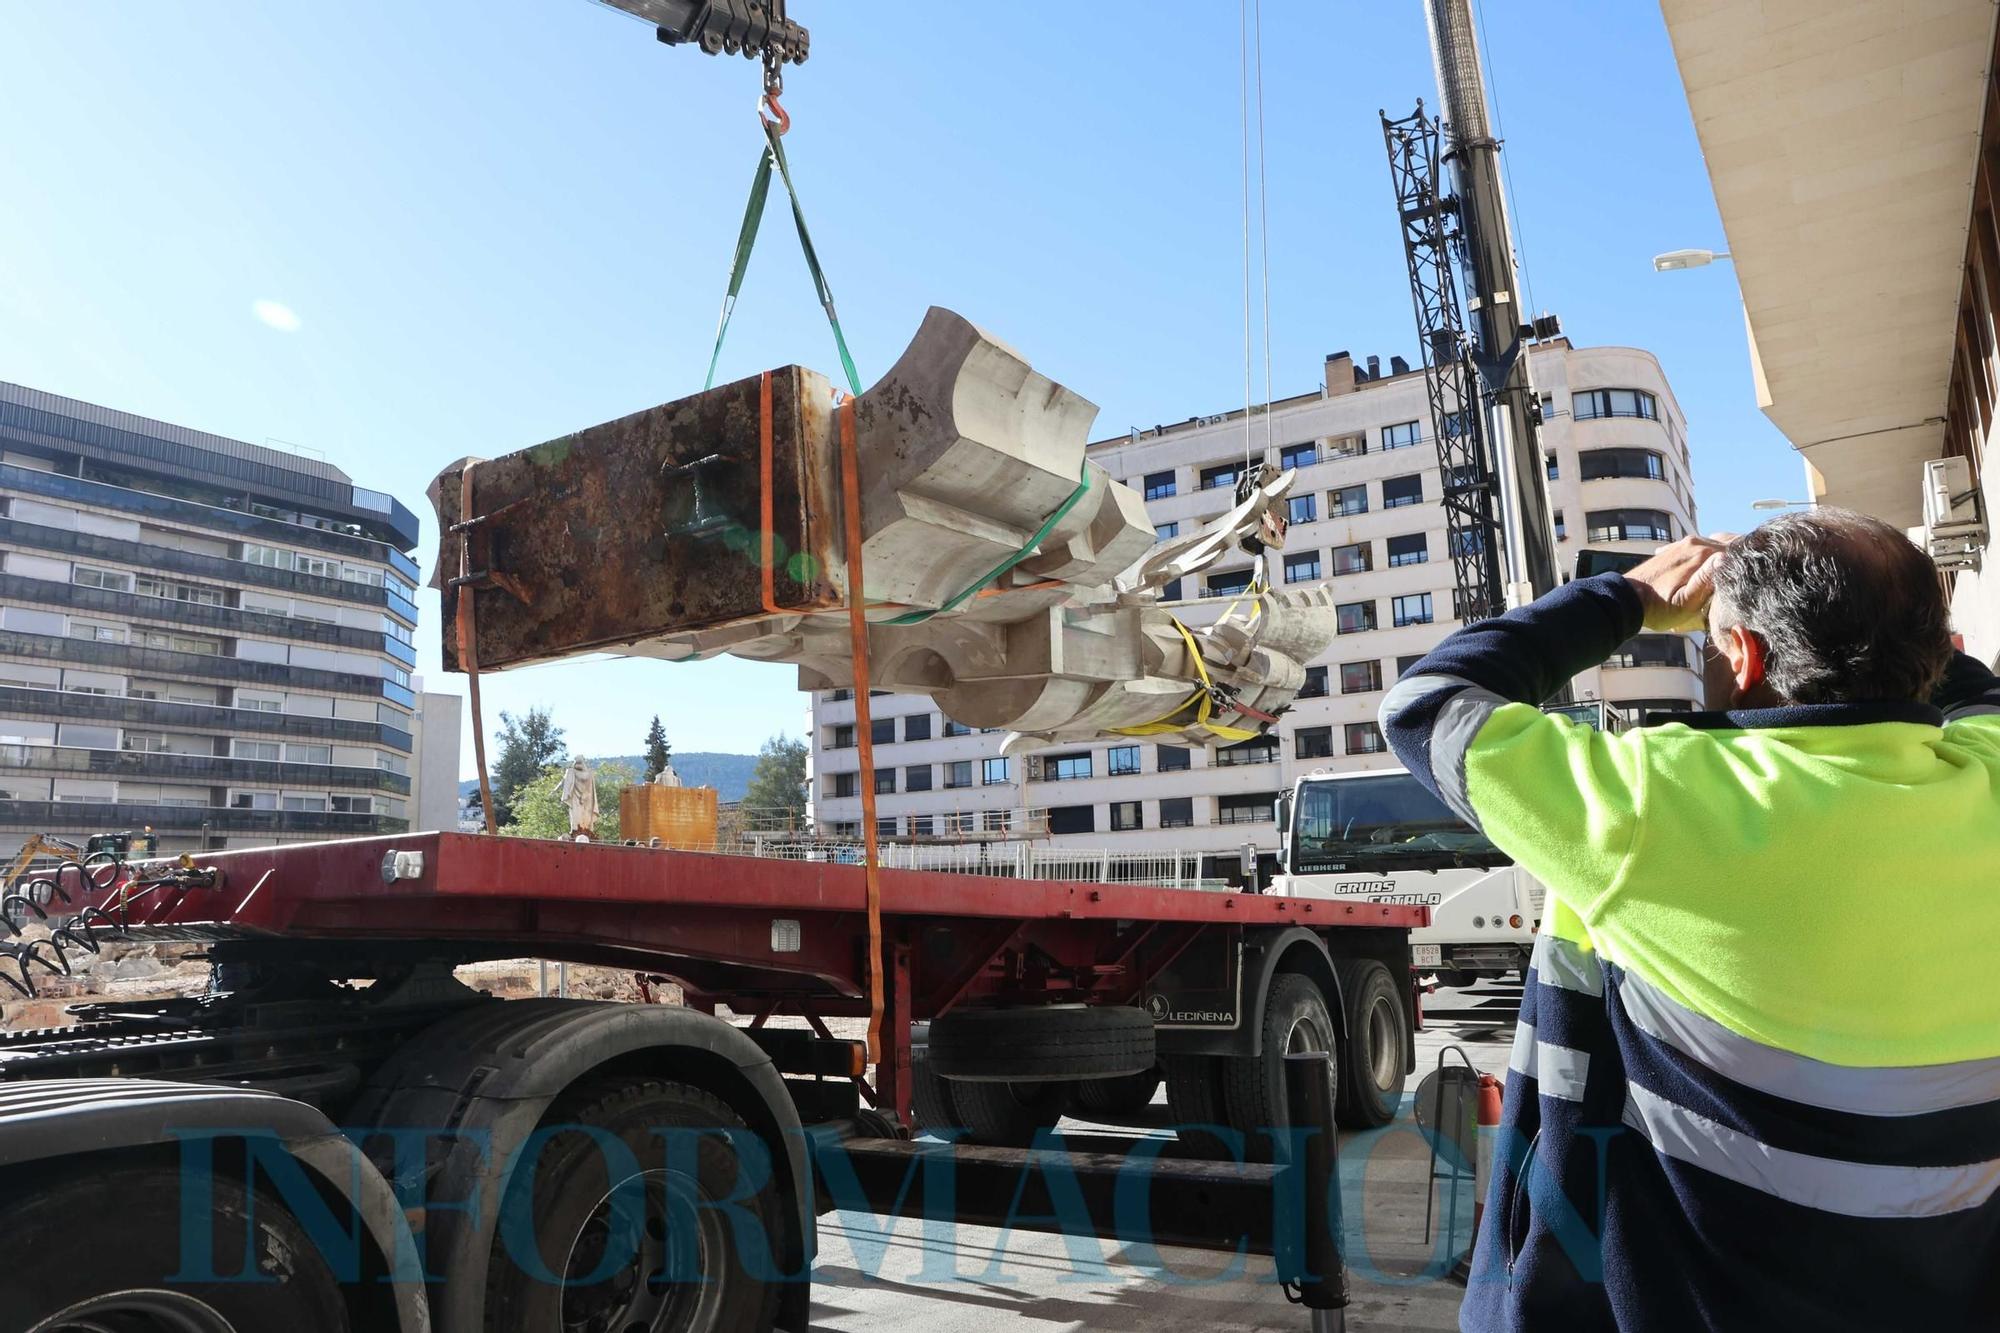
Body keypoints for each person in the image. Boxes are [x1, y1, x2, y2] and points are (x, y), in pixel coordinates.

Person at [1380, 510, 2000, 1331]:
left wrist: (1629, 597)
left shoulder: (1654, 801)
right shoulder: (1985, 783)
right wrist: (1886, 626)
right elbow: (1972, 684)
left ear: (1745, 658)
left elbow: (1427, 702)